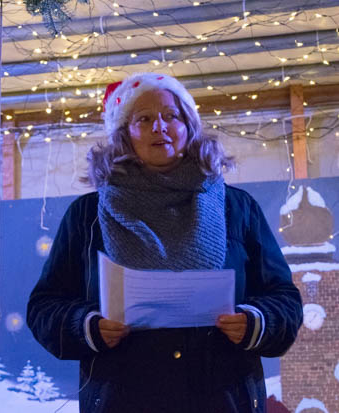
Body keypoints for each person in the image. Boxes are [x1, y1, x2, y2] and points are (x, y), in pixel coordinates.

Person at [26, 72, 302, 413]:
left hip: (223, 399)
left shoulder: (237, 208)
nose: (160, 127)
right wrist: (90, 327)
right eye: (144, 119)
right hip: (124, 400)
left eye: (171, 115)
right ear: (124, 135)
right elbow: (44, 306)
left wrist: (254, 321)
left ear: (188, 126)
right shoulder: (87, 216)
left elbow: (285, 299)